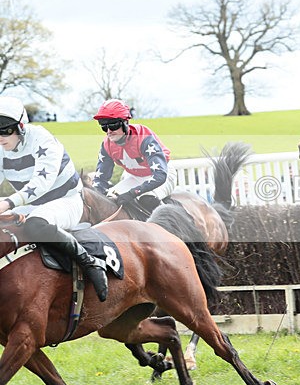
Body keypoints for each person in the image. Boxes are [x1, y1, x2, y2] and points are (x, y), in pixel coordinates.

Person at [0, 96, 107, 301]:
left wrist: (7, 203)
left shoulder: (42, 139)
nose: (0, 136)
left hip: (66, 200)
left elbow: (41, 184)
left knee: (36, 225)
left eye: (5, 129)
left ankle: (90, 263)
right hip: (31, 205)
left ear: (21, 126)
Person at [91, 99, 176, 212]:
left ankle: (168, 225)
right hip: (134, 177)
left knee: (147, 199)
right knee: (109, 200)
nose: (109, 131)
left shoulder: (143, 138)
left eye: (113, 125)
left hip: (162, 175)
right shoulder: (107, 145)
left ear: (125, 123)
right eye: (104, 126)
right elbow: (100, 180)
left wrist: (132, 193)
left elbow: (160, 175)